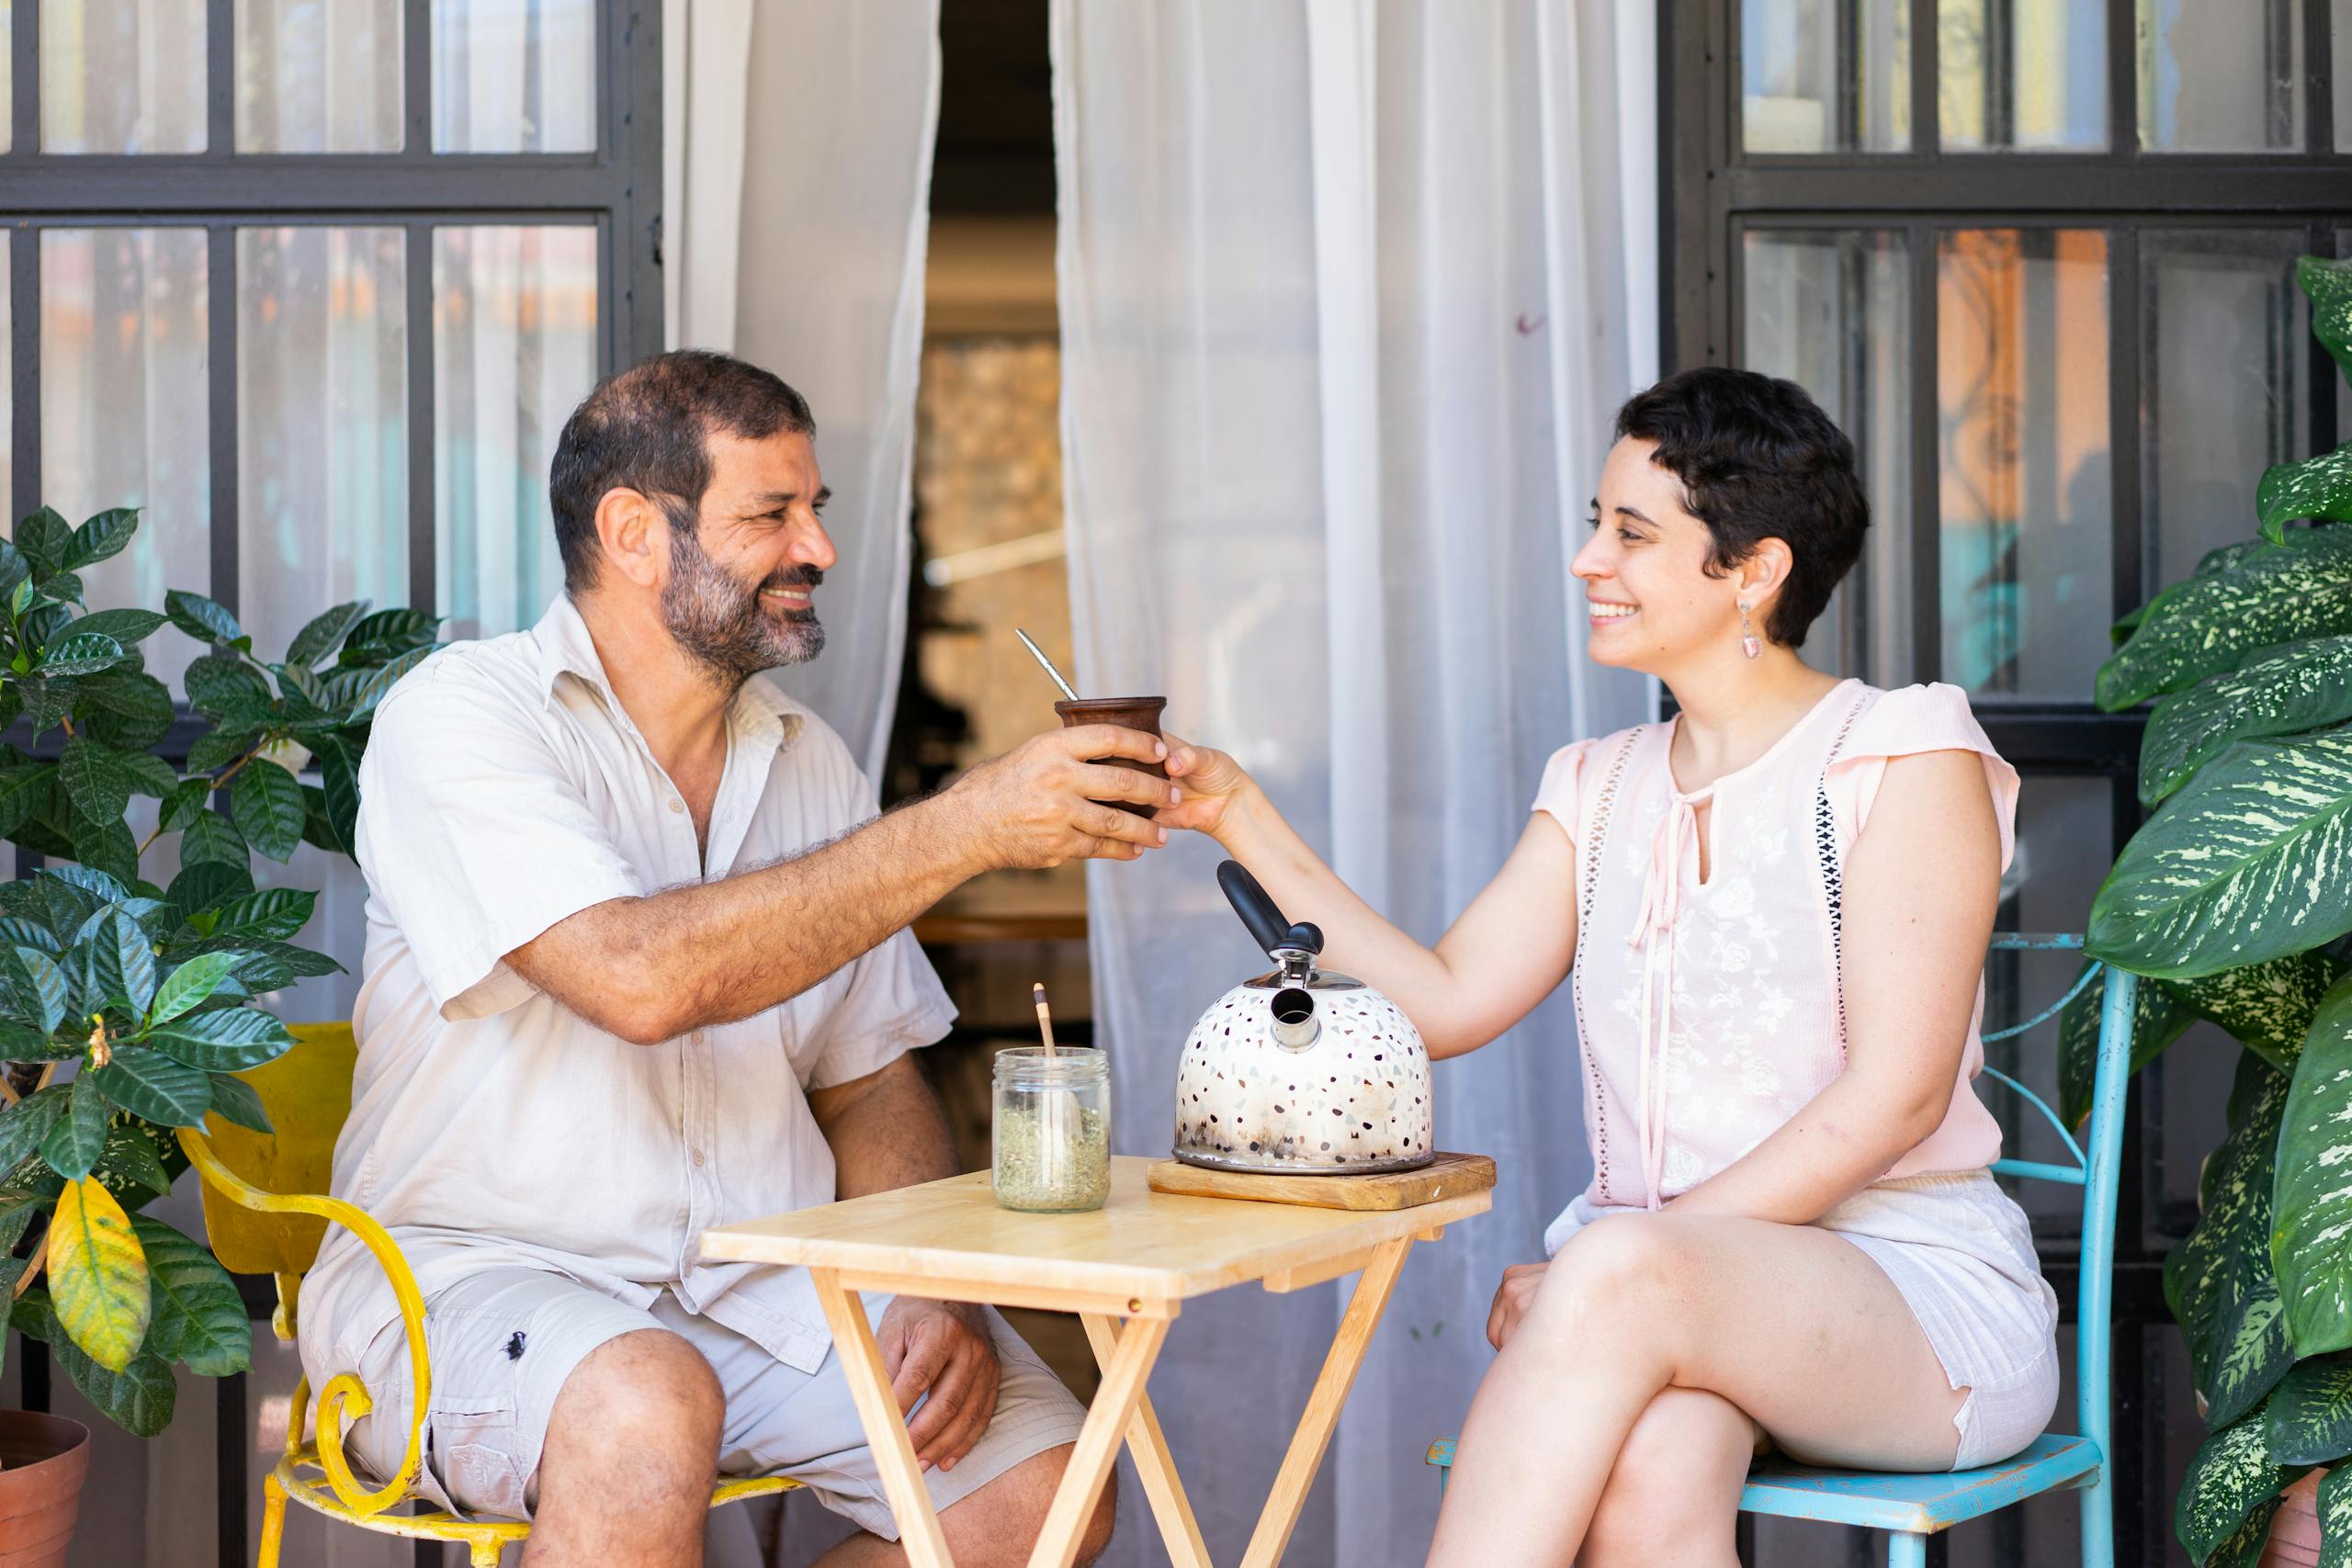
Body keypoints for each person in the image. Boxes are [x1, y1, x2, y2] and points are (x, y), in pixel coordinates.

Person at [1159, 367, 2051, 1566]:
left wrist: (1610, 1265)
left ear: (1754, 569)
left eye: (1631, 534)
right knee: (1650, 1487)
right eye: (1596, 525)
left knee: (1623, 1268)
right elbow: (1444, 1000)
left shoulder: (1903, 754)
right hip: (1663, 1305)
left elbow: (1893, 1101)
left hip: (1910, 1300)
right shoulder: (1601, 782)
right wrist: (1237, 812)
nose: (1588, 560)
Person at [299, 350, 1161, 1567]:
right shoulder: (461, 719)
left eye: (817, 510)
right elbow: (637, 979)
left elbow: (869, 1081)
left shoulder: (807, 759)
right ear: (635, 534)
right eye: (772, 514)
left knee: (1042, 1498)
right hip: (468, 1280)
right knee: (644, 1407)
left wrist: (923, 1281)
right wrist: (967, 825)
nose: (818, 548)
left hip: (757, 1289)